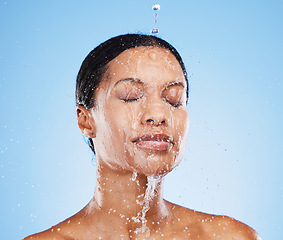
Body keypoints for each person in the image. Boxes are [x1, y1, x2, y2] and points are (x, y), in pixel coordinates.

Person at [24, 34, 261, 239]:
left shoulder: (230, 237)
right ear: (85, 121)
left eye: (173, 99)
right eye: (131, 96)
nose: (158, 115)